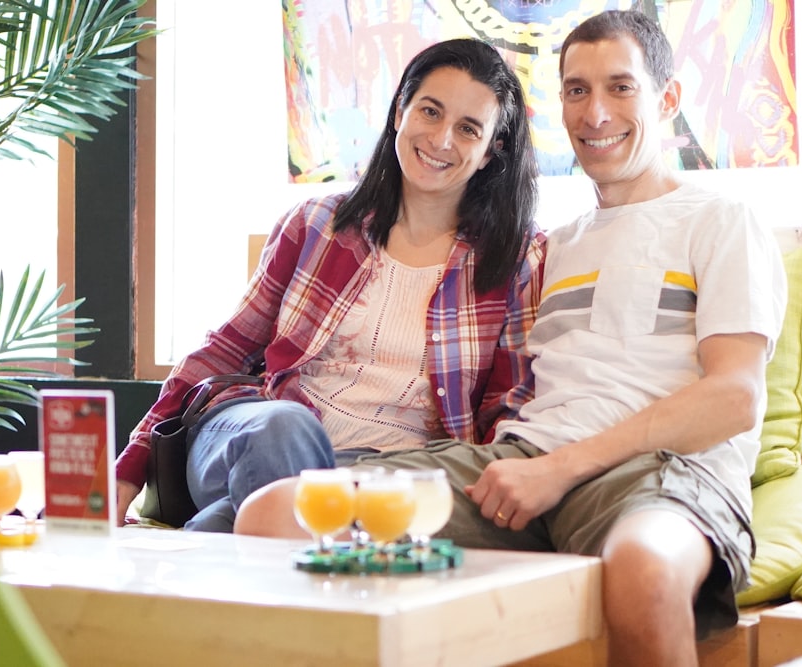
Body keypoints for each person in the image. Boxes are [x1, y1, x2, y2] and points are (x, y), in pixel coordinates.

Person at [235, 10, 787, 666]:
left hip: (658, 474)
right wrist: (528, 464)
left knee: (642, 570)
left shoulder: (722, 220)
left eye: (620, 87)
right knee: (275, 515)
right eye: (577, 90)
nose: (596, 112)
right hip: (520, 466)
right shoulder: (553, 248)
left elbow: (733, 398)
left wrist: (559, 469)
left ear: (666, 98)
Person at [114, 38, 545, 532]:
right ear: (400, 110)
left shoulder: (516, 261)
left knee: (221, 529)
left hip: (379, 472)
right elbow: (222, 352)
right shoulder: (317, 225)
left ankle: (242, 545)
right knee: (285, 429)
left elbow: (506, 410)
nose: (442, 138)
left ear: (493, 152)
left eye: (468, 129)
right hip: (254, 430)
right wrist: (127, 471)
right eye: (430, 111)